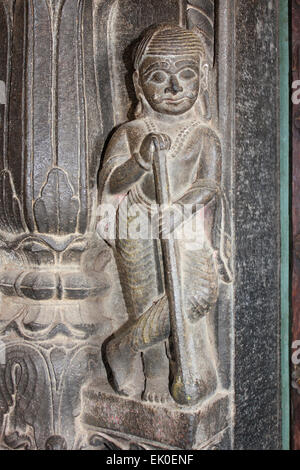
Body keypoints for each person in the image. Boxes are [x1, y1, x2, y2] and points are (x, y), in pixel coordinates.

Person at [98, 24, 231, 405]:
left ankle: (122, 346)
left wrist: (180, 211)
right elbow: (112, 183)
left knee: (197, 293)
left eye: (185, 74)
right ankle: (156, 371)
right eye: (159, 76)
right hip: (137, 221)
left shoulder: (205, 137)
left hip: (184, 224)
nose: (173, 88)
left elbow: (209, 185)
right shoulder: (130, 132)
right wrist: (140, 159)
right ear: (139, 85)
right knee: (144, 299)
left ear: (202, 79)